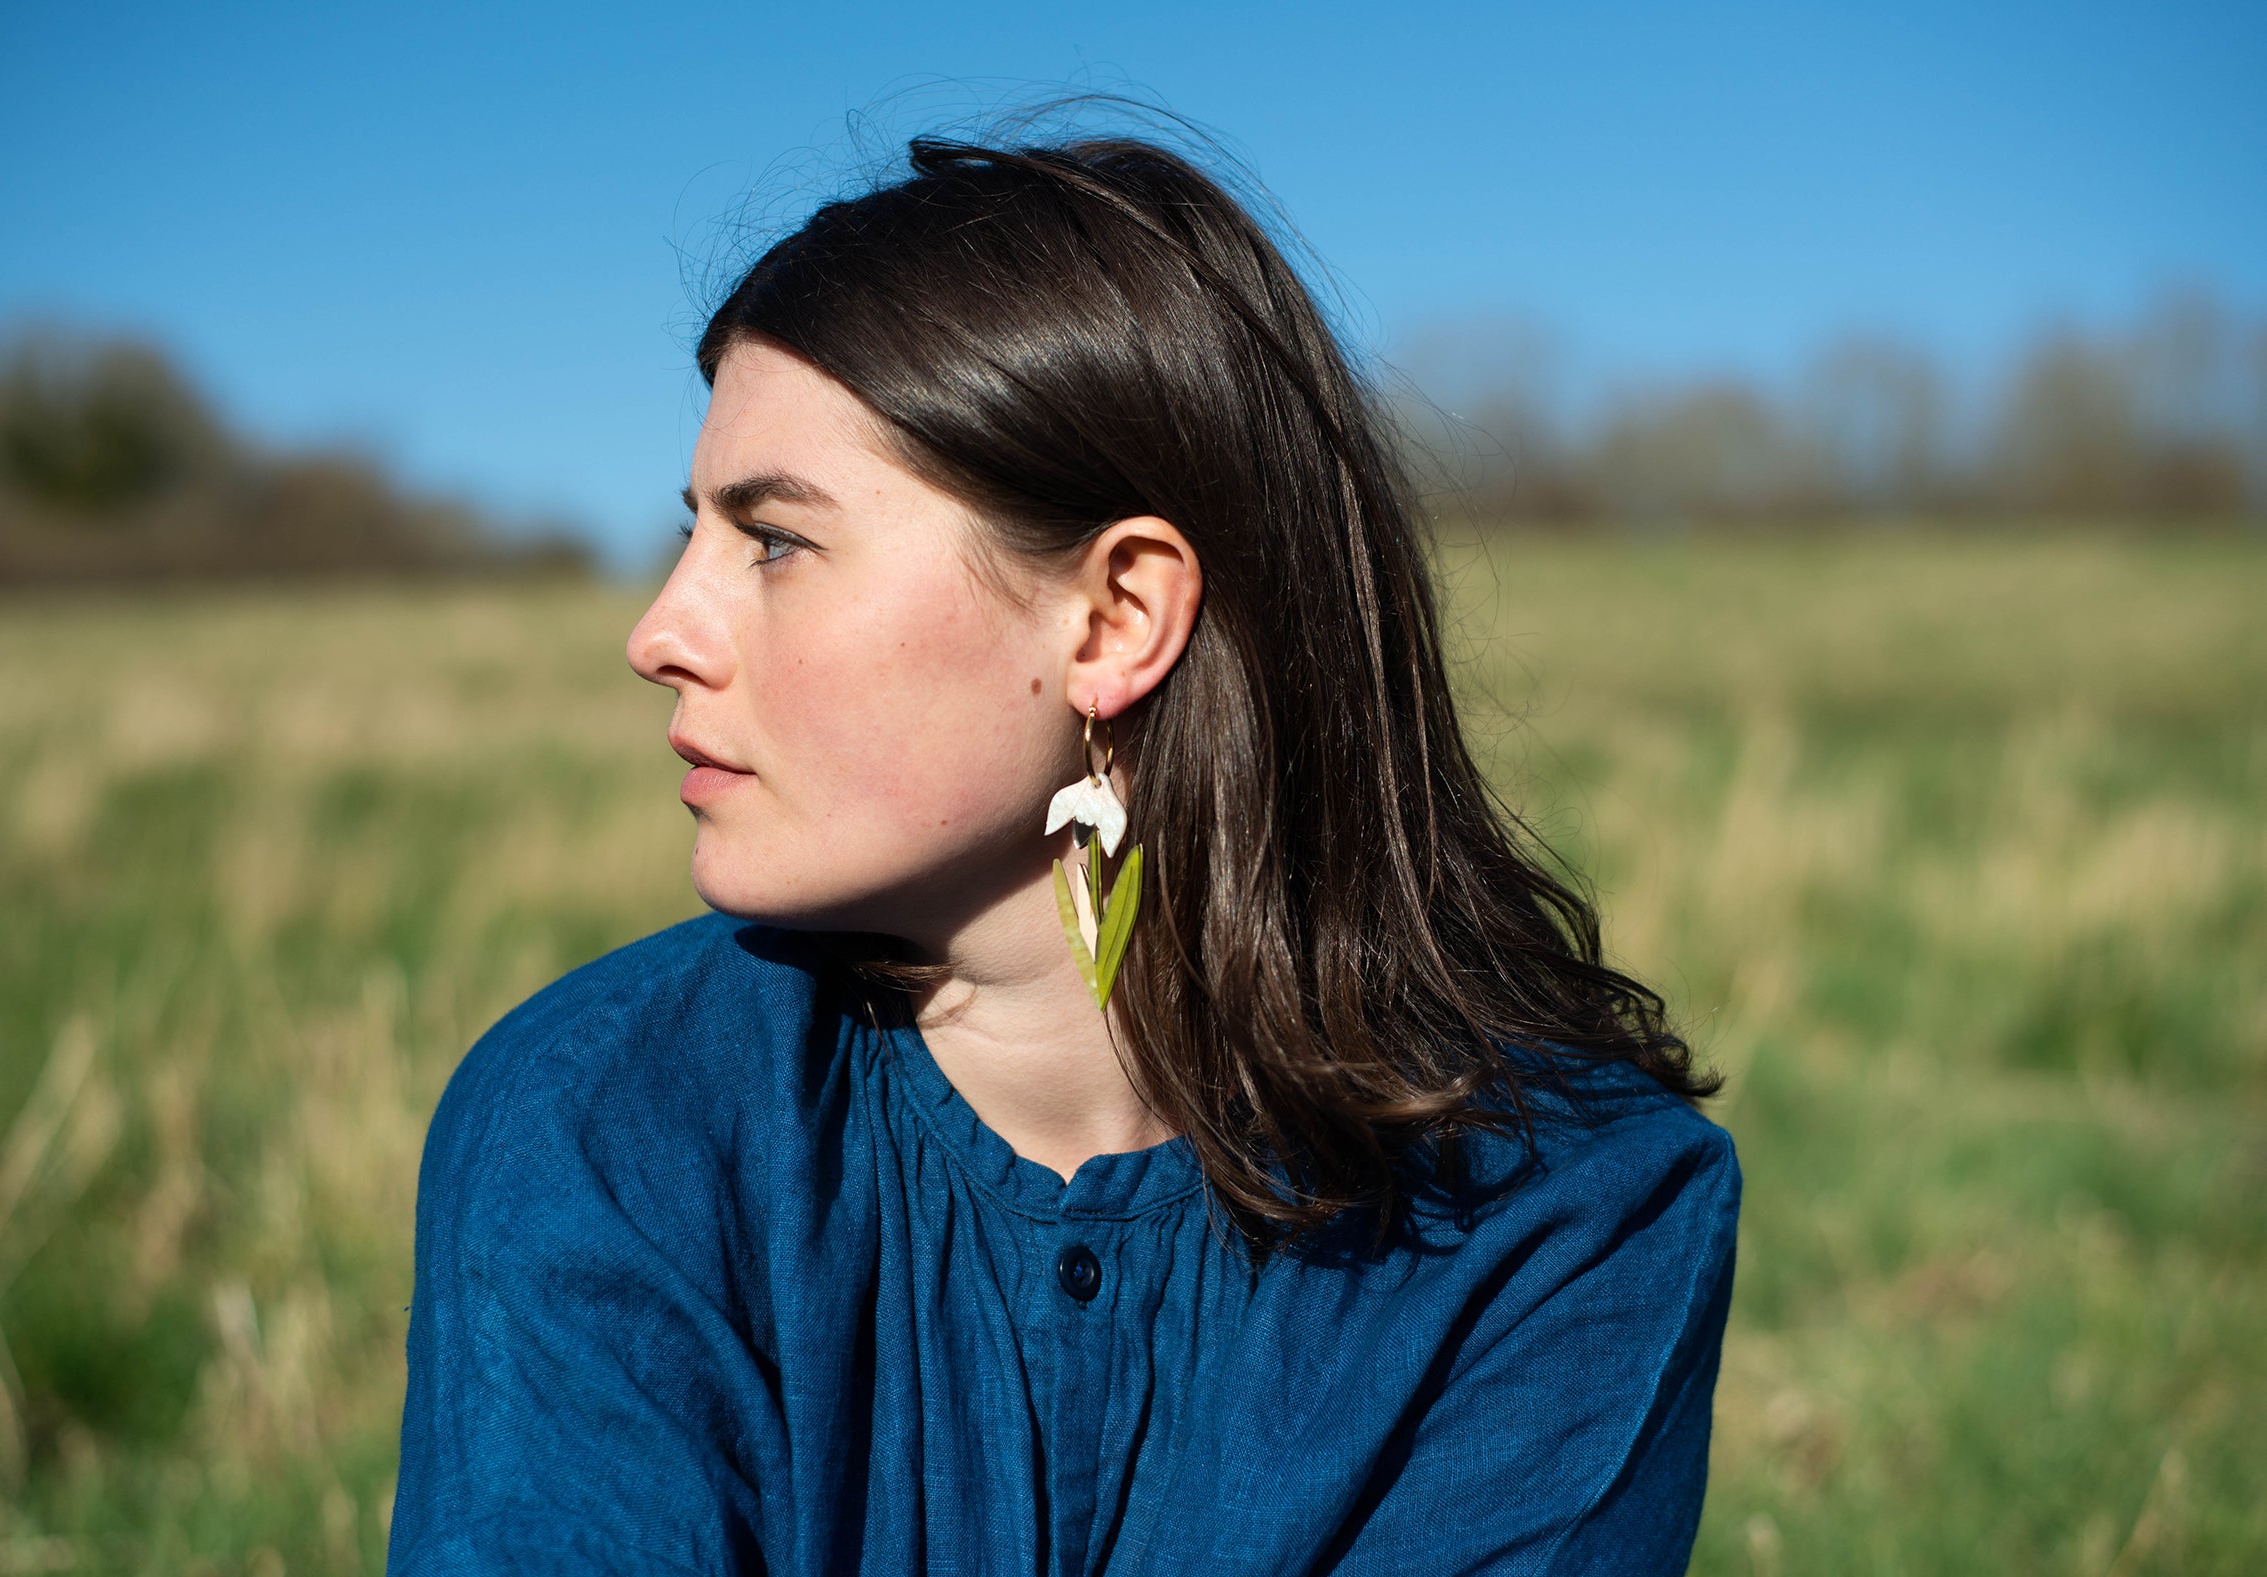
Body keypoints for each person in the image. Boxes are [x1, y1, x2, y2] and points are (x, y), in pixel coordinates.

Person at [389, 123, 1740, 1576]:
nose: (659, 632)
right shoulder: (603, 1120)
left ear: (1113, 618)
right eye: (693, 535)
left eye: (773, 541)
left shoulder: (1568, 1208)